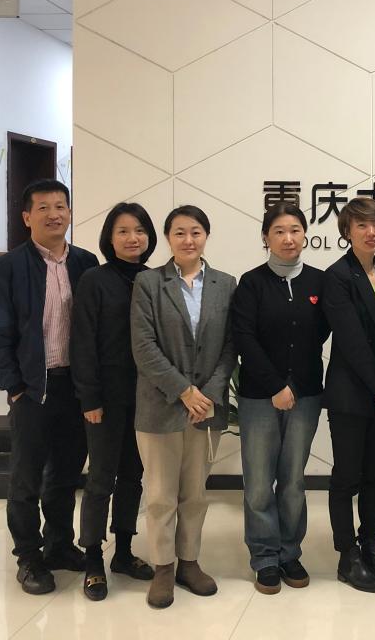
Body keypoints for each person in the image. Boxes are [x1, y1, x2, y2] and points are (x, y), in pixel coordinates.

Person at [0, 179, 98, 595]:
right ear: (27, 217)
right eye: (43, 207)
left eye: (60, 206)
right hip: (32, 388)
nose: (53, 214)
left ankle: (59, 545)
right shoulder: (6, 268)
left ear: (69, 213)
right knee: (26, 479)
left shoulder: (86, 263)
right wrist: (13, 386)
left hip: (75, 387)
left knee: (66, 473)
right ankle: (28, 557)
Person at [131, 205, 236, 609]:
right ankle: (163, 566)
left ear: (206, 236)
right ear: (168, 238)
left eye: (195, 232)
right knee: (160, 493)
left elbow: (230, 347)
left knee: (195, 492)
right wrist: (183, 391)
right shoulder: (148, 283)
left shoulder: (226, 284)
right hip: (160, 406)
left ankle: (189, 562)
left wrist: (206, 394)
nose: (188, 240)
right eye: (179, 233)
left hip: (206, 408)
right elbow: (143, 346)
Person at [231, 203, 330, 595]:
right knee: (259, 483)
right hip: (259, 396)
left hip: (306, 395)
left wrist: (295, 384)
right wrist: (275, 385)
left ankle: (289, 552)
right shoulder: (251, 283)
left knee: (292, 480)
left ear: (305, 234)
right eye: (279, 231)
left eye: (295, 230)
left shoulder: (320, 282)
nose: (288, 238)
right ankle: (265, 557)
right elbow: (244, 339)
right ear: (266, 238)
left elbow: (321, 334)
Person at [71, 202, 158, 600]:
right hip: (104, 399)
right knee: (100, 479)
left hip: (145, 399)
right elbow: (82, 341)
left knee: (133, 476)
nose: (132, 238)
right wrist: (89, 396)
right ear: (109, 237)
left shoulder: (154, 279)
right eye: (123, 231)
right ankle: (93, 558)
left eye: (139, 230)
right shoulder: (95, 280)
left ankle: (123, 552)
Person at [322, 197, 375, 593]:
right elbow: (351, 340)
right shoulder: (337, 276)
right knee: (346, 475)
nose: (372, 233)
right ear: (347, 232)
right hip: (351, 393)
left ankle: (371, 546)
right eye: (362, 226)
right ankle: (347, 555)